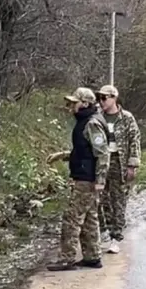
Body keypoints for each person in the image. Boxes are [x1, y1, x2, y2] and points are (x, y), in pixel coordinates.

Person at [46, 87, 110, 272]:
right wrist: (64, 155)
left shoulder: (92, 123)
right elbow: (84, 151)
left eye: (74, 102)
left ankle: (66, 258)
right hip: (85, 176)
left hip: (87, 179)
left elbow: (102, 154)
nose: (70, 106)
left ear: (85, 104)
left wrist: (100, 180)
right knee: (89, 218)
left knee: (71, 219)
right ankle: (92, 257)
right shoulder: (85, 122)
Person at [95, 85, 140, 254]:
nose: (101, 101)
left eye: (104, 98)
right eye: (99, 98)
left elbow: (134, 140)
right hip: (102, 162)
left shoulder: (126, 118)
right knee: (101, 199)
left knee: (118, 200)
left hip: (119, 162)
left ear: (114, 98)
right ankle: (105, 231)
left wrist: (132, 165)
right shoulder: (97, 117)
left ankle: (116, 237)